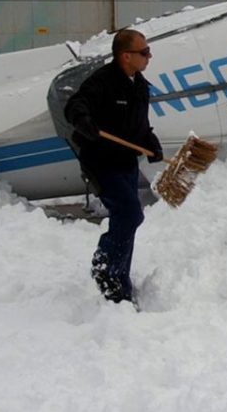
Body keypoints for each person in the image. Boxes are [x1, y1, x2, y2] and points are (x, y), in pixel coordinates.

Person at [64, 29, 163, 304]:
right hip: (101, 161)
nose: (149, 56)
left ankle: (120, 283)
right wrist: (83, 120)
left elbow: (140, 124)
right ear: (125, 56)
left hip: (126, 161)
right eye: (144, 52)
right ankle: (104, 266)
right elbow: (75, 105)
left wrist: (151, 143)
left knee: (126, 220)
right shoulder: (102, 82)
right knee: (131, 214)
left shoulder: (139, 85)